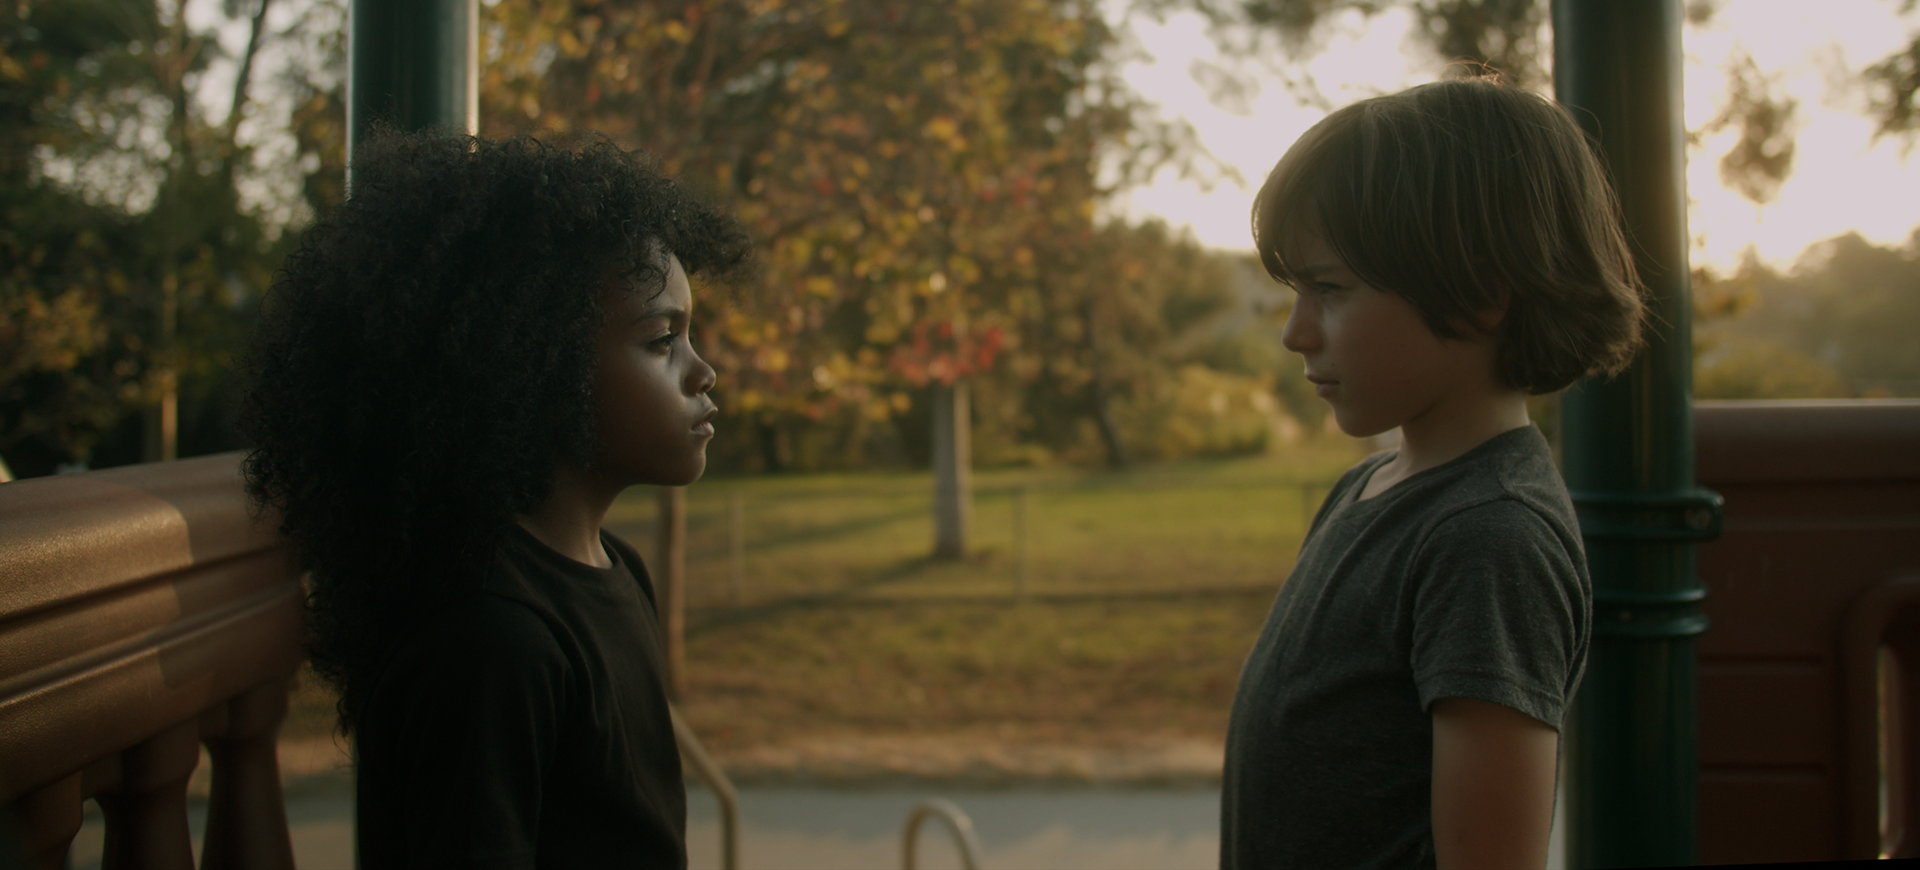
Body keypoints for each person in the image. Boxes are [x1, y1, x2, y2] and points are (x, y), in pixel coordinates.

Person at [239, 129, 750, 868]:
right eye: (660, 340)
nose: (703, 372)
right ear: (530, 367)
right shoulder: (489, 643)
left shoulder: (618, 570)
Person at [1221, 76, 1645, 870]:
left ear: (1482, 294)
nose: (1295, 332)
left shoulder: (1490, 539)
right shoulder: (1367, 488)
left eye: (1328, 289)